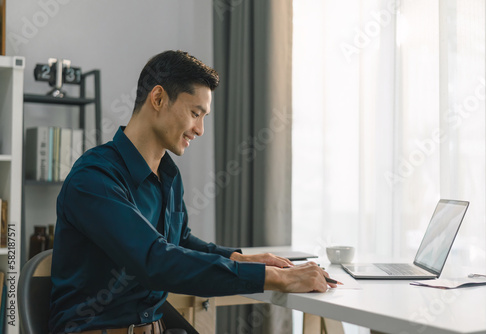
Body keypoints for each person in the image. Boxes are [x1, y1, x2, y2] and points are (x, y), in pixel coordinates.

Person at [48, 50, 336, 334]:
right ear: (158, 99)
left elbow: (180, 241)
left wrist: (240, 258)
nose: (199, 129)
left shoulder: (167, 175)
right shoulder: (94, 178)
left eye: (204, 116)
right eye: (195, 113)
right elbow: (154, 260)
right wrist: (275, 278)